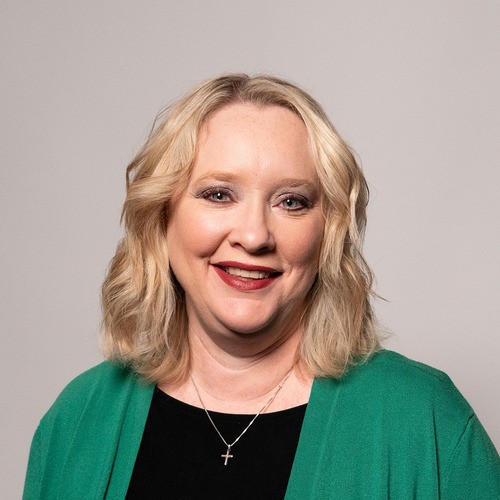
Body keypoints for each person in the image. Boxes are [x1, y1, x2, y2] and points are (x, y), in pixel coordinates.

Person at [24, 74, 499, 499]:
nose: (253, 236)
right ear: (161, 217)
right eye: (218, 194)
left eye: (291, 201)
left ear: (328, 232)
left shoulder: (424, 420)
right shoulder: (78, 419)